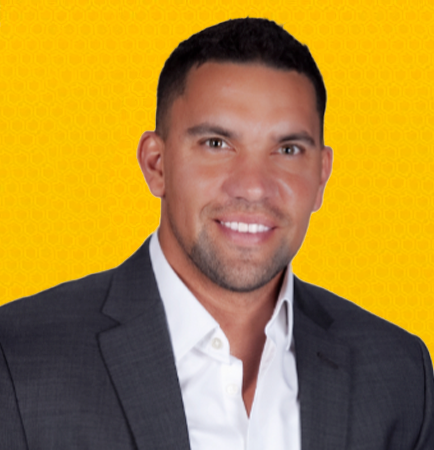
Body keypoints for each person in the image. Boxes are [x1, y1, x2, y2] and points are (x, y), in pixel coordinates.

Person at [0, 18, 433, 450]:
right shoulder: (18, 360)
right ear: (156, 164)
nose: (253, 187)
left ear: (321, 176)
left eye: (287, 150)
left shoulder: (400, 374)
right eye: (216, 144)